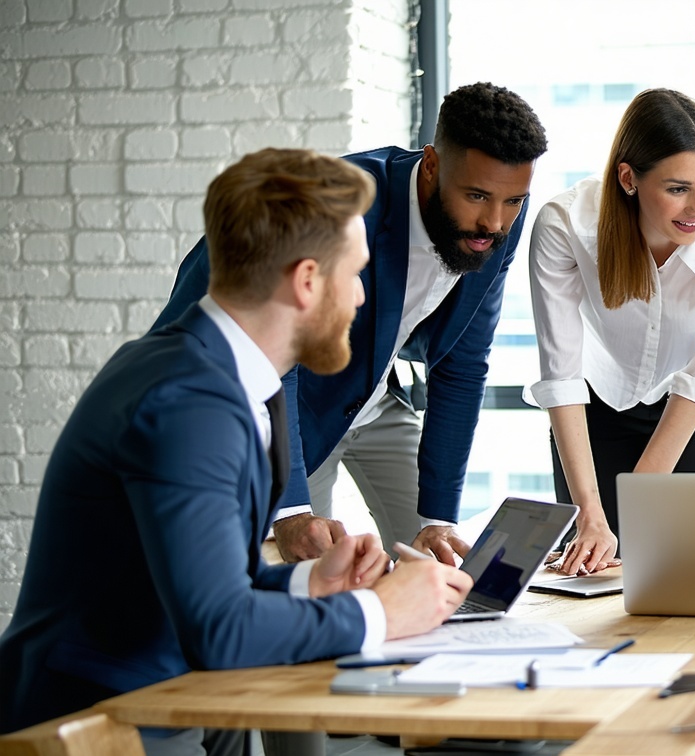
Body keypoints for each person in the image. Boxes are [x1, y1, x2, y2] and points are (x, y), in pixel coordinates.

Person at [0, 149, 473, 756]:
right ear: (307, 281)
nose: (361, 297)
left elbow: (209, 586)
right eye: (354, 273)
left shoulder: (227, 378)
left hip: (172, 699)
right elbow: (220, 632)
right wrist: (380, 610)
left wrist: (312, 583)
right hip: (94, 727)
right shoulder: (187, 405)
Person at [153, 82, 548, 564]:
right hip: (290, 409)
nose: (495, 222)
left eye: (513, 201)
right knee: (298, 572)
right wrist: (291, 508)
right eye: (477, 195)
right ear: (431, 167)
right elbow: (271, 358)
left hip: (376, 399)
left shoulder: (500, 219)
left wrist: (437, 519)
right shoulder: (338, 206)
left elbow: (464, 363)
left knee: (443, 564)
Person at [527, 88, 695, 574]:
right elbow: (561, 376)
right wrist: (592, 515)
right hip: (594, 411)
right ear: (629, 179)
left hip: (692, 409)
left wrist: (640, 504)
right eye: (678, 188)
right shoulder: (565, 227)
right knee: (595, 577)